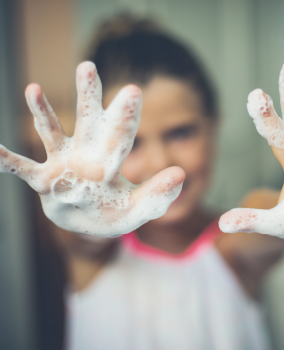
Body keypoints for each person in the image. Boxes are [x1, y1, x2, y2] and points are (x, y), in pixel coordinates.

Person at [1, 13, 284, 350]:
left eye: (181, 132)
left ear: (214, 127)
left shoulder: (234, 246)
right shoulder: (95, 253)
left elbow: (267, 213)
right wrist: (80, 203)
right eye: (132, 143)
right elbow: (78, 237)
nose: (160, 163)